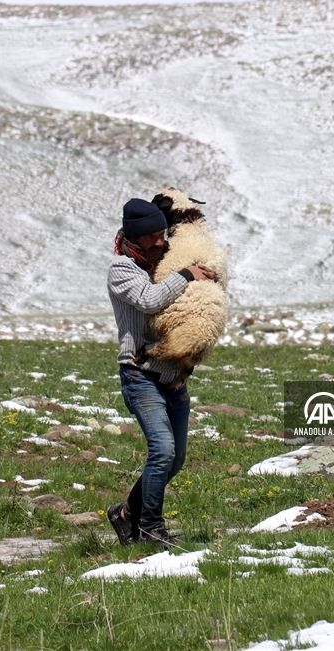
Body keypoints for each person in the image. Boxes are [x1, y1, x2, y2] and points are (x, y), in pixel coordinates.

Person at [106, 197, 217, 548]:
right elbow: (150, 300)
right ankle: (152, 528)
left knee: (176, 458)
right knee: (163, 451)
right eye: (152, 236)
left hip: (173, 377)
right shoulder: (123, 271)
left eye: (162, 233)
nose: (160, 241)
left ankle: (125, 514)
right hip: (140, 375)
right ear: (135, 239)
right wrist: (186, 274)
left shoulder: (164, 262)